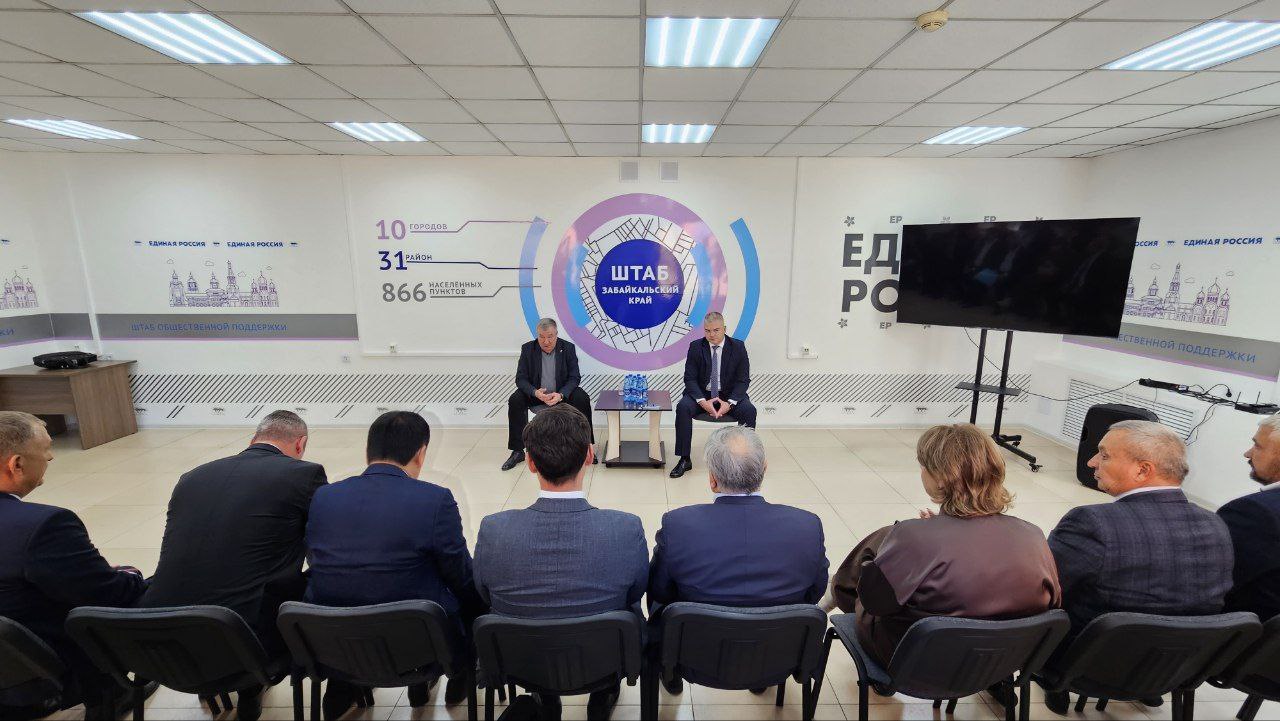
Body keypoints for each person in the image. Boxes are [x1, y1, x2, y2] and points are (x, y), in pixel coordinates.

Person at [139, 410, 326, 720]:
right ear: (300, 444)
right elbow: (321, 544)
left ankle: (232, 686)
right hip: (243, 639)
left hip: (163, 640)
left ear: (254, 439)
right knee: (324, 581)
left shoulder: (192, 477)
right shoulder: (304, 474)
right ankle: (262, 685)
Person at [828, 423, 1060, 672]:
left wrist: (915, 537)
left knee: (879, 545)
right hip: (1000, 663)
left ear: (940, 477)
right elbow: (1053, 604)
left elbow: (875, 604)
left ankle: (831, 593)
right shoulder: (1033, 535)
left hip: (918, 663)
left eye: (923, 466)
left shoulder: (912, 536)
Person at [1044, 420, 1233, 715]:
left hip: (1089, 667)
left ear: (1143, 470)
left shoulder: (1091, 522)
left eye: (1104, 455)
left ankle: (1051, 687)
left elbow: (1045, 590)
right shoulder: (1216, 524)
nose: (1092, 462)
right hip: (1174, 668)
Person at [305, 411, 486, 718]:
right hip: (418, 643)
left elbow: (317, 561)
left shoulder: (324, 497)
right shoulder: (434, 500)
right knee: (471, 595)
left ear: (368, 451)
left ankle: (343, 686)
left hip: (335, 642)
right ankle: (460, 676)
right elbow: (460, 576)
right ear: (421, 453)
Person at [474, 404, 647, 720]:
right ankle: (603, 693)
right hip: (605, 659)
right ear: (590, 456)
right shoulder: (625, 528)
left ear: (529, 462)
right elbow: (636, 593)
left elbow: (484, 595)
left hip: (522, 662)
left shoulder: (494, 530)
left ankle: (545, 696)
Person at [649, 424, 827, 694]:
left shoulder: (678, 525)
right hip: (777, 660)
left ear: (712, 479)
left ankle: (668, 671)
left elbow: (660, 591)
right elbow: (815, 592)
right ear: (764, 469)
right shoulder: (807, 527)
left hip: (693, 660)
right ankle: (759, 677)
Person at [0, 412, 147, 721]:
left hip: (8, 657)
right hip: (38, 659)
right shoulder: (42, 525)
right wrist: (129, 575)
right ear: (16, 464)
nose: (51, 457)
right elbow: (106, 593)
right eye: (45, 450)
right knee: (140, 590)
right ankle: (110, 692)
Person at [501, 317, 596, 472]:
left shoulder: (568, 348)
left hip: (560, 395)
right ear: (537, 335)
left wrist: (561, 394)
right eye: (542, 337)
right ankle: (518, 451)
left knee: (582, 398)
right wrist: (535, 392)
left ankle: (586, 447)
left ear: (556, 334)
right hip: (537, 395)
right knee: (515, 399)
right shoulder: (528, 349)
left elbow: (574, 377)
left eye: (550, 337)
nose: (546, 341)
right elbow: (521, 379)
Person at [669, 312, 756, 479]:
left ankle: (746, 459)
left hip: (728, 395)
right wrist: (703, 402)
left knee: (749, 410)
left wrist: (729, 403)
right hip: (703, 394)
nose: (712, 335)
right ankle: (684, 459)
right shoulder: (696, 347)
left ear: (724, 329)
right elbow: (690, 379)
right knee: (683, 407)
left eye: (716, 330)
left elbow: (743, 380)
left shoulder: (738, 347)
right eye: (707, 331)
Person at [1220, 414, 1280, 620]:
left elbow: (1206, 579)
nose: (1247, 453)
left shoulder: (1255, 512)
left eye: (1258, 446)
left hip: (1237, 629)